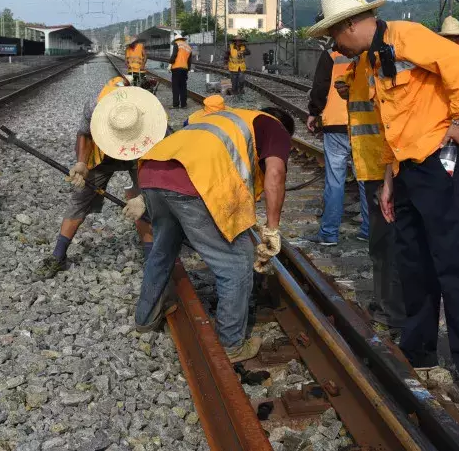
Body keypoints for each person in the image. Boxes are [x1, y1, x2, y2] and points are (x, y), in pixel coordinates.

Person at [307, 0, 459, 405]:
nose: (334, 45)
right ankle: (420, 348)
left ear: (352, 24)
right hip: (406, 167)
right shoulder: (371, 59)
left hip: (438, 161)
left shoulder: (405, 36)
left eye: (334, 35)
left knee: (452, 262)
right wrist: (390, 177)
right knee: (413, 260)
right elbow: (395, 120)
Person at [117, 94, 296, 362]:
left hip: (153, 174)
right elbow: (275, 174)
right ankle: (232, 345)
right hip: (192, 181)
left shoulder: (227, 120)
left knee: (163, 250)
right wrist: (271, 229)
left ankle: (145, 318)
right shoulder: (276, 128)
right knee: (237, 264)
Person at [37, 76, 154, 279]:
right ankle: (58, 256)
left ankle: (153, 258)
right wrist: (81, 163)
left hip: (137, 148)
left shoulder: (146, 108)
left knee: (150, 199)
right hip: (104, 152)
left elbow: (157, 145)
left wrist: (144, 196)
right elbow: (84, 133)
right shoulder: (94, 104)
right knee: (80, 198)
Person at [335, 53, 406, 336]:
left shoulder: (383, 59)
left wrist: (389, 173)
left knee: (389, 244)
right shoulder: (359, 63)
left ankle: (394, 313)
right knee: (380, 245)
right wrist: (345, 86)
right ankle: (385, 307)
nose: (336, 44)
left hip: (387, 166)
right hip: (373, 164)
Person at [306, 43, 370, 244]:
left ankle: (329, 233)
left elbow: (320, 87)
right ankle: (369, 230)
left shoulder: (331, 54)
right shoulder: (370, 51)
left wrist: (314, 112)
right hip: (364, 122)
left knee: (335, 180)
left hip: (336, 123)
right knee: (366, 180)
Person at [168, 33, 193, 109]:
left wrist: (170, 64)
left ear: (176, 39)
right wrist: (187, 70)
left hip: (176, 68)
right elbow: (189, 61)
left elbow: (174, 55)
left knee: (175, 87)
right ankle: (184, 104)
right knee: (183, 87)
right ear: (182, 39)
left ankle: (175, 105)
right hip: (184, 69)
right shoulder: (188, 47)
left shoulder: (177, 44)